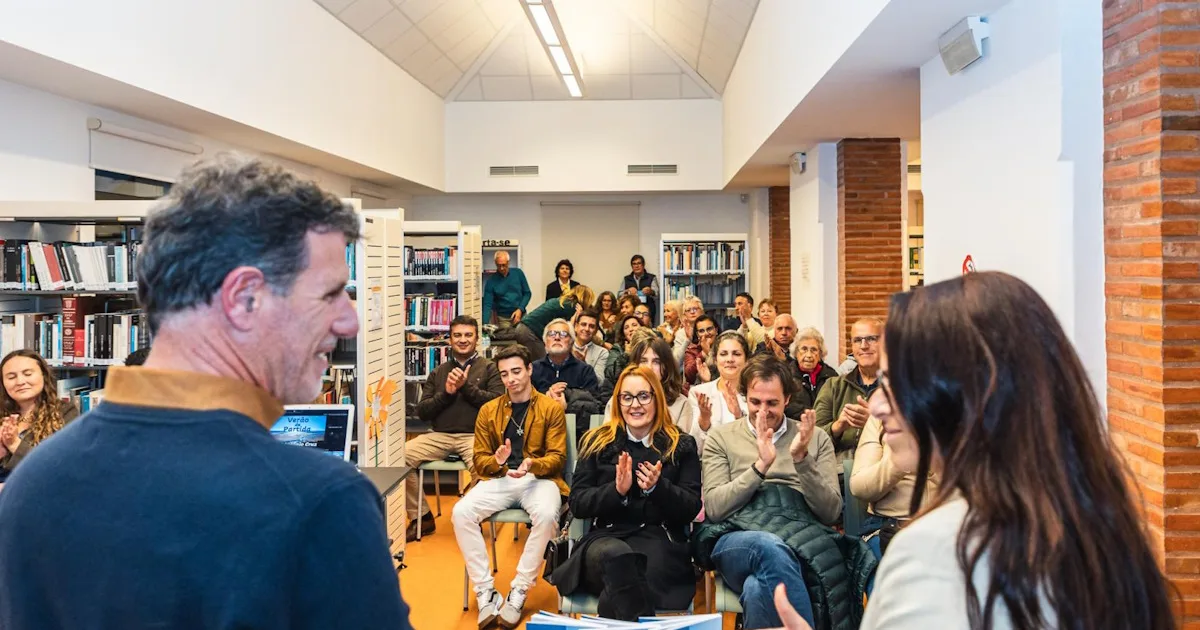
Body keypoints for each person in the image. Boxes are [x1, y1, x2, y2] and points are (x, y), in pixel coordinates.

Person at [0, 155, 412, 628]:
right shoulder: (317, 503)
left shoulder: (33, 484)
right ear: (244, 298)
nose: (350, 320)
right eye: (328, 294)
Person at [847, 272, 1174, 630]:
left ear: (965, 394)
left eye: (893, 382)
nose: (877, 404)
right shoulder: (1097, 521)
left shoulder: (937, 550)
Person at [692, 357, 858, 630]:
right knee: (766, 545)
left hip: (801, 535)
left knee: (758, 588)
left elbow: (829, 512)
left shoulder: (814, 437)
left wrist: (802, 459)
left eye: (772, 403)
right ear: (746, 397)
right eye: (755, 402)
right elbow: (716, 508)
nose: (762, 411)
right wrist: (760, 467)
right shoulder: (722, 437)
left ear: (788, 398)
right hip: (738, 538)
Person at [551, 365, 702, 620]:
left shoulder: (681, 444)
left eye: (644, 396)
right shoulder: (597, 441)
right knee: (619, 559)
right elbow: (578, 503)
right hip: (603, 541)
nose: (635, 405)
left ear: (657, 399)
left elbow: (691, 507)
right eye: (627, 397)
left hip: (659, 542)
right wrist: (616, 491)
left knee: (623, 583)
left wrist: (658, 488)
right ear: (618, 402)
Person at [453, 344, 567, 629]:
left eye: (516, 371)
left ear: (530, 369)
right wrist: (496, 461)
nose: (511, 379)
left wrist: (531, 463)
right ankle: (485, 591)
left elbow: (557, 458)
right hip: (500, 478)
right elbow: (480, 461)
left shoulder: (550, 408)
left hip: (539, 479)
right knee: (461, 513)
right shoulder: (489, 410)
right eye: (504, 374)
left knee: (546, 515)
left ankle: (520, 588)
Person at [406, 315, 504, 541]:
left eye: (468, 335)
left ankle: (471, 518)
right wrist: (447, 394)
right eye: (457, 335)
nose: (462, 340)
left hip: (475, 435)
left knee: (482, 466)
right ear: (449, 340)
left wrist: (466, 387)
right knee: (401, 458)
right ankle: (421, 517)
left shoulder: (489, 369)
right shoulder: (438, 372)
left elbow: (497, 404)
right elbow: (423, 412)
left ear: (477, 339)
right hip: (440, 435)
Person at [0, 350, 80, 479]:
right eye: (11, 377)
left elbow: (61, 467)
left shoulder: (65, 413)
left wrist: (14, 444)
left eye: (27, 374)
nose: (20, 381)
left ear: (43, 375)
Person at [814, 318, 882, 462]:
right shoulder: (834, 386)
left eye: (871, 338)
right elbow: (813, 440)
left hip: (882, 471)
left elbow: (915, 440)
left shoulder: (902, 388)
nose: (864, 346)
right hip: (837, 470)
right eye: (857, 340)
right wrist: (837, 427)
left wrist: (874, 424)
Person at [603, 337, 696, 433]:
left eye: (656, 362)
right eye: (643, 361)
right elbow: (609, 439)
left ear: (666, 367)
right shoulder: (619, 400)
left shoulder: (681, 404)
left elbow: (683, 445)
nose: (649, 367)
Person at [687, 331, 749, 452]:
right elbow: (695, 449)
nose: (730, 359)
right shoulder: (699, 393)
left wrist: (739, 415)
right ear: (715, 359)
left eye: (736, 354)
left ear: (746, 360)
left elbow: (754, 442)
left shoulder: (754, 394)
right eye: (723, 354)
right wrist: (704, 421)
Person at [512, 285, 596, 361]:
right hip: (530, 333)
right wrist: (578, 315)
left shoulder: (563, 301)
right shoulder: (572, 306)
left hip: (523, 328)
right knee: (545, 364)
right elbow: (569, 330)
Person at [532, 318, 600, 400]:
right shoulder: (533, 369)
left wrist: (567, 397)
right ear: (545, 341)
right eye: (552, 334)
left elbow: (594, 405)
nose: (557, 338)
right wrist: (546, 397)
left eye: (563, 334)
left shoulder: (585, 371)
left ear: (571, 341)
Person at [784, 327, 835, 418]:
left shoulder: (831, 376)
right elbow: (785, 405)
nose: (808, 355)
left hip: (825, 427)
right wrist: (812, 414)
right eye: (804, 349)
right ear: (796, 352)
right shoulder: (786, 375)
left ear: (820, 354)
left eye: (814, 350)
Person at [483, 250, 532, 327]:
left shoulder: (518, 273)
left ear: (508, 262)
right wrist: (484, 325)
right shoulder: (491, 281)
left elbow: (527, 293)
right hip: (504, 318)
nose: (501, 268)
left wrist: (520, 309)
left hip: (521, 314)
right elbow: (487, 305)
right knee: (506, 337)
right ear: (495, 263)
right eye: (499, 265)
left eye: (504, 265)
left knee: (523, 336)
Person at [572, 309, 609, 383]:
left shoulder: (602, 353)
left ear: (596, 331)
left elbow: (600, 382)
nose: (587, 329)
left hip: (585, 393)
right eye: (583, 324)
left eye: (591, 326)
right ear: (576, 327)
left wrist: (583, 364)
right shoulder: (565, 347)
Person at [621, 254, 659, 325]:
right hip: (631, 312)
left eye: (639, 263)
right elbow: (619, 295)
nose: (636, 266)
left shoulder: (651, 277)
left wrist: (650, 291)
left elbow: (657, 293)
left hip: (647, 312)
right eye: (634, 264)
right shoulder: (626, 279)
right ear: (632, 266)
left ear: (643, 265)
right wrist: (627, 291)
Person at [683, 315, 719, 388]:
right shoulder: (692, 349)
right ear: (697, 334)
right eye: (701, 331)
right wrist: (703, 354)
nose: (706, 333)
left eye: (709, 329)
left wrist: (709, 353)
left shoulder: (725, 346)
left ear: (716, 330)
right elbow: (689, 376)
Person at [671, 295, 704, 364]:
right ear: (684, 314)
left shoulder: (708, 329)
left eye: (695, 309)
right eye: (688, 310)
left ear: (702, 311)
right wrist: (687, 340)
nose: (692, 312)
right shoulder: (681, 333)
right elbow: (676, 362)